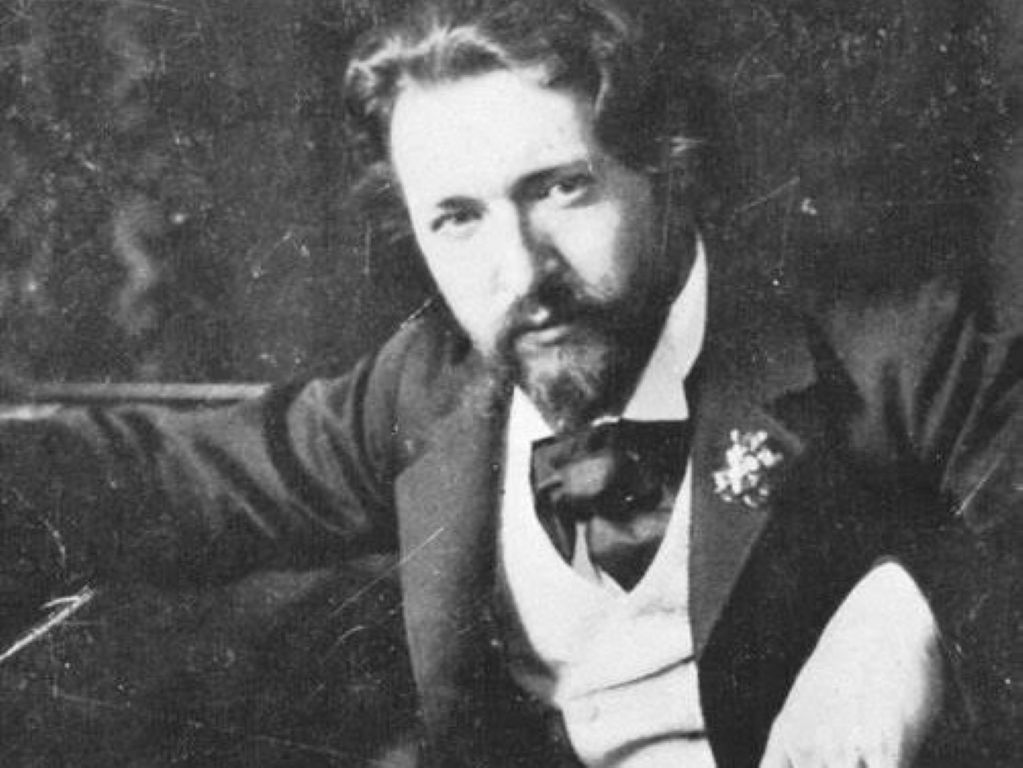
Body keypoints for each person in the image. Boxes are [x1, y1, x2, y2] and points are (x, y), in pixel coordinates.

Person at [1, 0, 1022, 765]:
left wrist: (911, 613)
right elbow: (170, 474)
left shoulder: (891, 355)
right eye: (458, 218)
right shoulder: (426, 388)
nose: (520, 272)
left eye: (561, 189)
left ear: (663, 169)